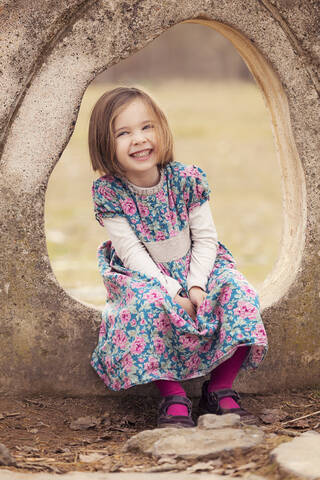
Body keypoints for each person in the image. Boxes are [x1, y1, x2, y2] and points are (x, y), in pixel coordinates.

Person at [89, 86, 268, 428]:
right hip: (143, 274)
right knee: (146, 306)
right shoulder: (109, 191)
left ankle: (219, 387)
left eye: (147, 127)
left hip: (198, 265)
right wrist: (172, 289)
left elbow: (206, 239)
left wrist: (197, 285)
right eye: (123, 133)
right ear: (105, 143)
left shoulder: (187, 179)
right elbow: (130, 253)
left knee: (239, 291)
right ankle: (172, 394)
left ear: (162, 128)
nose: (138, 139)